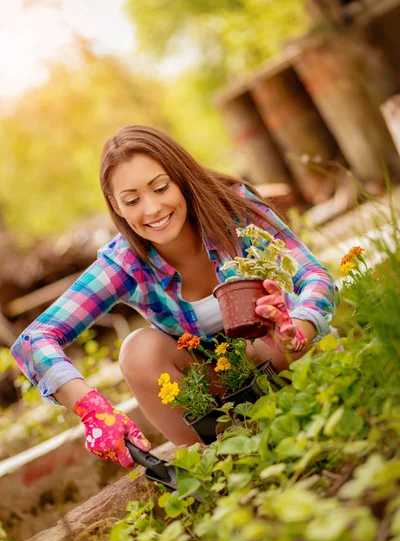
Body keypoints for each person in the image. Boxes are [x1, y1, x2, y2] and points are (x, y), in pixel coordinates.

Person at [11, 125, 338, 467]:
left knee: (260, 329)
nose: (152, 209)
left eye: (160, 188)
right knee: (137, 351)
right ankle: (212, 464)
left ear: (179, 178)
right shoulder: (125, 262)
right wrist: (90, 408)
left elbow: (315, 276)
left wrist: (298, 325)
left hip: (289, 353)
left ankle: (307, 419)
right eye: (132, 200)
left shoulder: (234, 208)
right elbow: (35, 339)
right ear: (116, 206)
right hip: (220, 392)